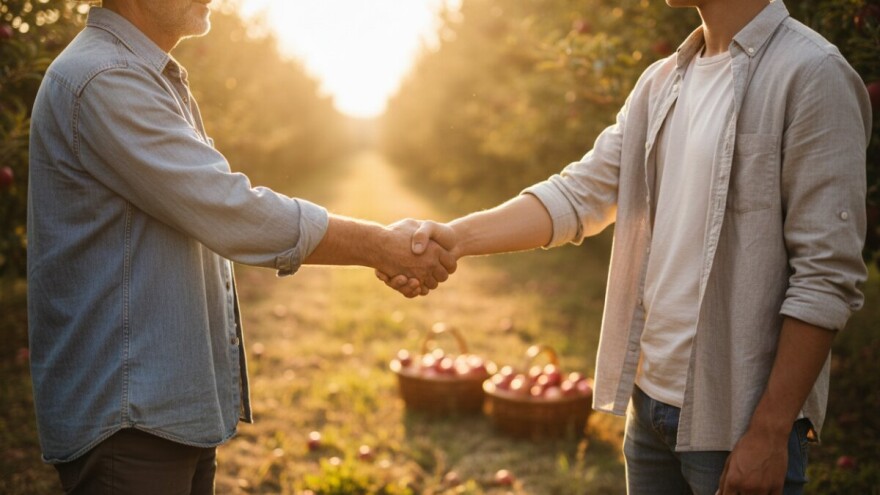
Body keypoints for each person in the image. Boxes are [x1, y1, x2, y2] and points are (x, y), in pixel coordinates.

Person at [380, 0, 872, 493]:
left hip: (737, 420)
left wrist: (769, 431)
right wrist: (454, 238)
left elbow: (825, 275)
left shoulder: (812, 75)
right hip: (650, 408)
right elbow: (579, 193)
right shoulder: (660, 84)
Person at [27, 0, 453, 493]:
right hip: (129, 413)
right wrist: (379, 245)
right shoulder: (104, 77)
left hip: (160, 403)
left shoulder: (144, 74)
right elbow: (230, 211)